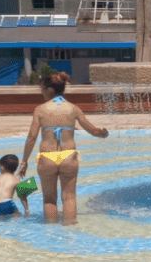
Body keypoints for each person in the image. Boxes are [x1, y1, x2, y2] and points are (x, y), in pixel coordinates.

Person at [18, 72, 109, 224]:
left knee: (49, 199)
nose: (41, 93)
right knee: (69, 197)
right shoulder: (73, 109)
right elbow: (93, 131)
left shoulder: (40, 110)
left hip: (47, 157)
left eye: (42, 90)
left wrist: (24, 161)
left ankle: (51, 232)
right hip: (68, 156)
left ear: (48, 90)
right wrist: (103, 134)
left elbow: (32, 138)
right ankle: (71, 232)